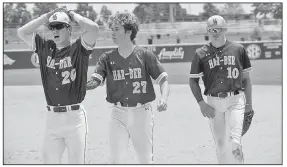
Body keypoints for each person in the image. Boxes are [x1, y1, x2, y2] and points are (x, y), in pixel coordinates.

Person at [17, 7, 99, 164]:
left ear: (69, 29)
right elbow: (21, 32)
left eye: (59, 26)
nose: (54, 30)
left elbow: (94, 29)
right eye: (52, 26)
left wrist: (73, 15)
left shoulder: (79, 48)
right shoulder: (45, 47)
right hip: (52, 119)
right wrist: (45, 16)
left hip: (74, 120)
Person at [86, 11, 170, 164]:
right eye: (112, 29)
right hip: (118, 113)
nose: (112, 32)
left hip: (142, 113)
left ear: (129, 31)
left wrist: (163, 98)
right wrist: (85, 85)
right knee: (115, 159)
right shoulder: (107, 58)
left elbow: (163, 79)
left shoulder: (145, 55)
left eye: (116, 28)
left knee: (145, 159)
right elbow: (95, 80)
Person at [189, 15, 253, 164]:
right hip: (213, 103)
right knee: (221, 145)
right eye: (211, 29)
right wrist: (201, 103)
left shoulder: (238, 49)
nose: (215, 32)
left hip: (235, 100)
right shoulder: (200, 53)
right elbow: (193, 81)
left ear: (225, 30)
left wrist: (249, 105)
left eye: (218, 29)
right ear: (208, 31)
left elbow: (246, 80)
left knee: (234, 141)